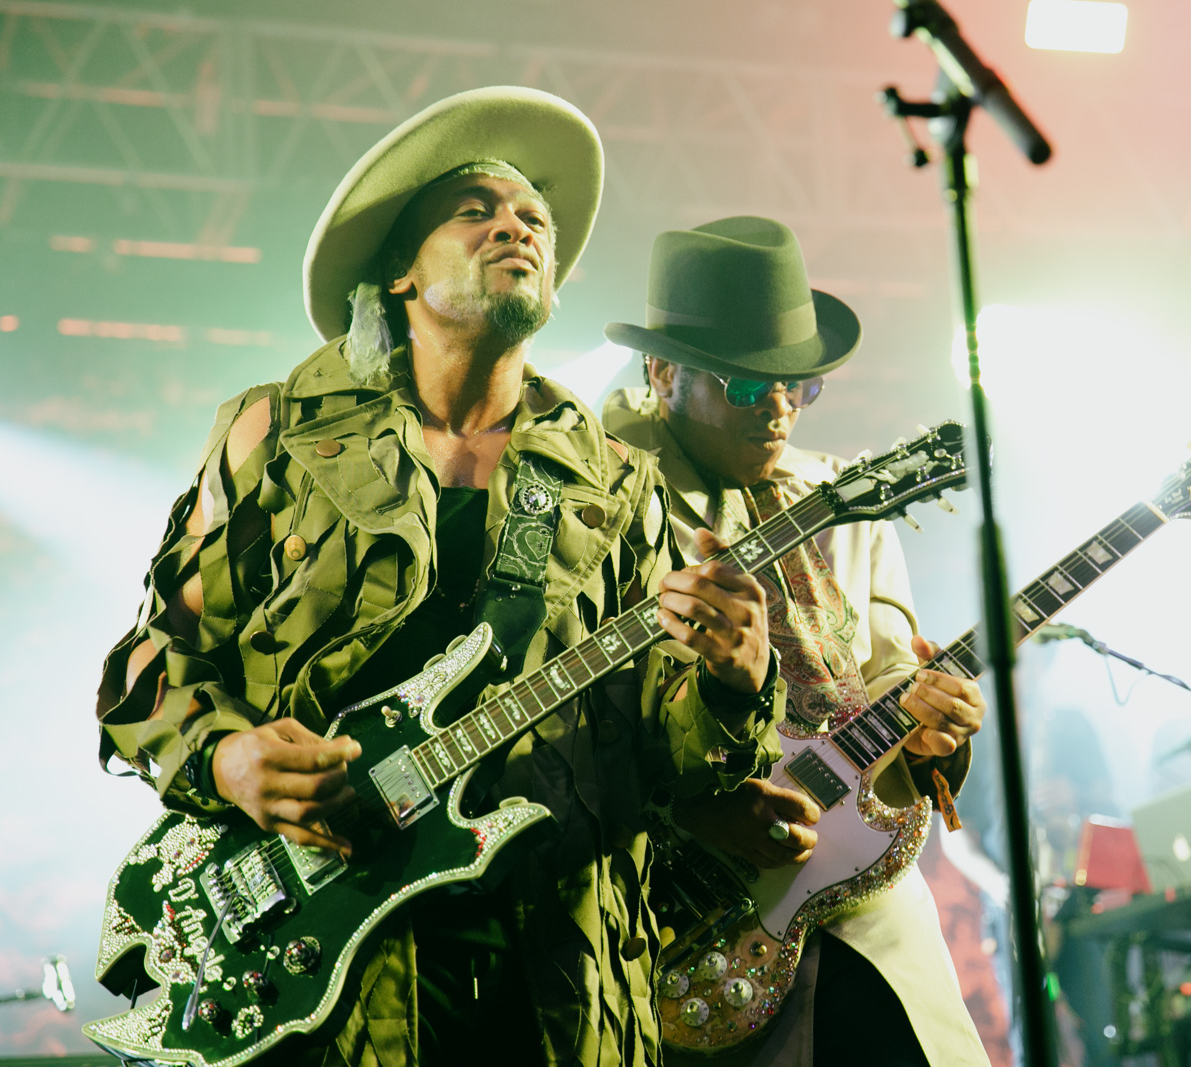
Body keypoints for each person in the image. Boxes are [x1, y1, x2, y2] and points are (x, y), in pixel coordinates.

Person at [93, 88, 784, 1067]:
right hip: (323, 977)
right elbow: (150, 662)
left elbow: (668, 759)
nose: (515, 225)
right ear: (399, 272)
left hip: (556, 979)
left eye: (533, 217)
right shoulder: (275, 434)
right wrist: (229, 757)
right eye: (474, 209)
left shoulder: (618, 483)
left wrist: (733, 679)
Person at [601, 215, 990, 1066]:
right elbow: (572, 729)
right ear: (663, 372)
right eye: (747, 386)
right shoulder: (599, 497)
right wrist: (691, 811)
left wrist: (936, 726)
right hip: (681, 927)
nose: (778, 409)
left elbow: (891, 674)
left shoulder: (844, 496)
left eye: (797, 387)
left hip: (871, 932)